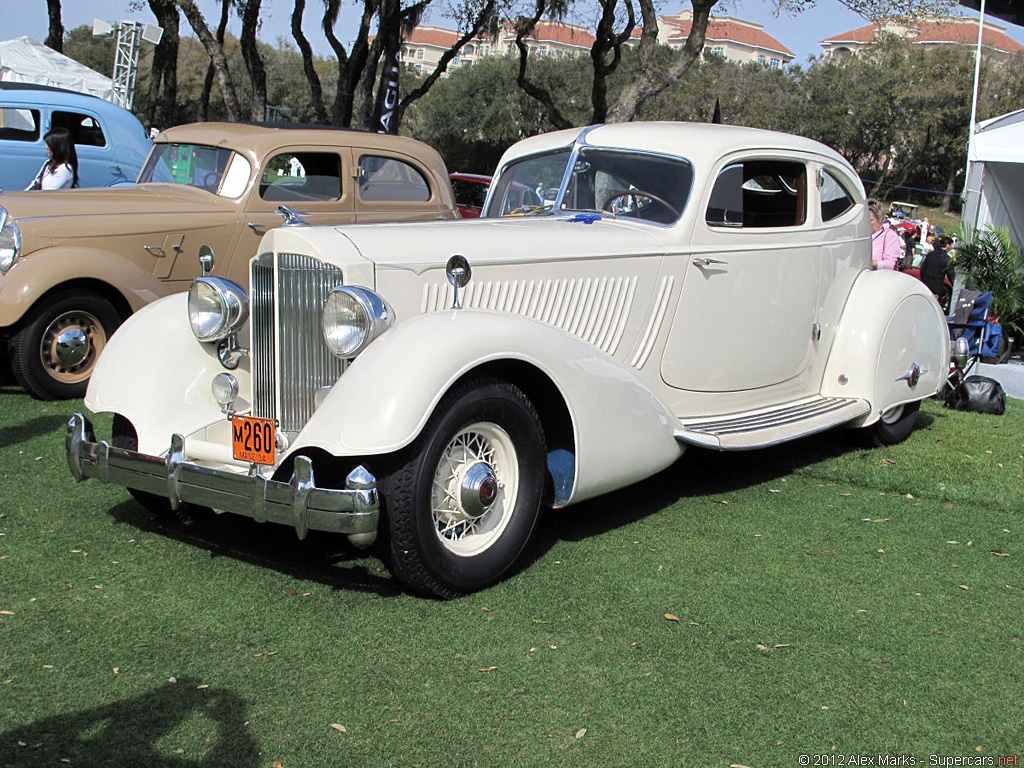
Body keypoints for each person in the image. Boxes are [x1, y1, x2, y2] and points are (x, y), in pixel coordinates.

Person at [920, 235, 955, 310]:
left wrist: (923, 279)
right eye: (951, 245)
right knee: (934, 306)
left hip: (926, 281)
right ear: (947, 245)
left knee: (924, 303)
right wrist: (954, 284)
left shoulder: (930, 254)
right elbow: (951, 274)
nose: (952, 247)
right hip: (937, 284)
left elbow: (922, 269)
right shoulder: (946, 258)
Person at [869, 201, 901, 270]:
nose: (866, 223)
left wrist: (869, 263)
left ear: (880, 219)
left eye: (870, 220)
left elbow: (890, 265)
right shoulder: (859, 233)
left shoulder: (890, 236)